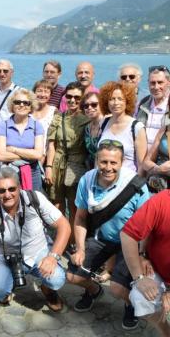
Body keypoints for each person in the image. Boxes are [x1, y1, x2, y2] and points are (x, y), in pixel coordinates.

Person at [66, 140, 150, 331]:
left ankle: (131, 304)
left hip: (130, 243)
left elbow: (147, 225)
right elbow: (79, 217)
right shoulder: (87, 180)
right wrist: (79, 249)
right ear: (96, 160)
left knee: (118, 288)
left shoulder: (136, 185)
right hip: (101, 238)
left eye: (113, 163)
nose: (108, 167)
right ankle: (94, 291)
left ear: (122, 163)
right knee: (72, 276)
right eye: (103, 162)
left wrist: (144, 255)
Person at [0, 167, 71, 325]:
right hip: (6, 259)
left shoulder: (35, 199)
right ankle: (6, 289)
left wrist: (53, 257)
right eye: (1, 191)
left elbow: (64, 226)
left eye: (12, 189)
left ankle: (47, 289)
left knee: (57, 279)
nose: (7, 195)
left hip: (38, 253)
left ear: (19, 187)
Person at [121, 190, 170, 337]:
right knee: (140, 297)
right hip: (157, 269)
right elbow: (128, 234)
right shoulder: (162, 199)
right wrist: (139, 277)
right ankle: (165, 331)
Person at [45, 82, 88, 238]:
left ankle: (73, 238)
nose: (72, 100)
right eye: (69, 96)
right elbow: (52, 145)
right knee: (57, 203)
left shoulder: (87, 119)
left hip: (76, 165)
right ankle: (61, 236)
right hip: (58, 162)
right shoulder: (59, 117)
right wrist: (48, 167)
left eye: (77, 97)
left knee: (74, 204)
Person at [0, 88, 44, 190]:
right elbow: (1, 155)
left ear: (31, 106)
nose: (22, 105)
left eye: (26, 103)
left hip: (33, 172)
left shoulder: (37, 126)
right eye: (17, 102)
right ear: (12, 106)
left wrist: (13, 149)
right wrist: (29, 154)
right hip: (9, 172)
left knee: (33, 201)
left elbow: (38, 155)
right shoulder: (3, 126)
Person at [99, 81, 147, 174]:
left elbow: (141, 166)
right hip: (103, 180)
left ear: (127, 101)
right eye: (112, 99)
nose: (116, 103)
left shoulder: (137, 127)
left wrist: (134, 186)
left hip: (127, 182)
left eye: (120, 99)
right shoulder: (104, 123)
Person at [136, 65, 170, 151]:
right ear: (148, 83)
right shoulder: (143, 104)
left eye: (160, 82)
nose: (156, 87)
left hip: (164, 160)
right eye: (152, 83)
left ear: (168, 82)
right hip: (142, 159)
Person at [32, 80, 57, 158]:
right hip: (27, 153)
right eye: (39, 91)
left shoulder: (53, 111)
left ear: (50, 95)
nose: (42, 95)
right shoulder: (27, 110)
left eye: (46, 92)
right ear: (34, 93)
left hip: (45, 155)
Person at [81, 92, 104, 169]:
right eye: (86, 106)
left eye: (94, 104)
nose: (89, 108)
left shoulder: (107, 125)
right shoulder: (87, 127)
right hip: (90, 169)